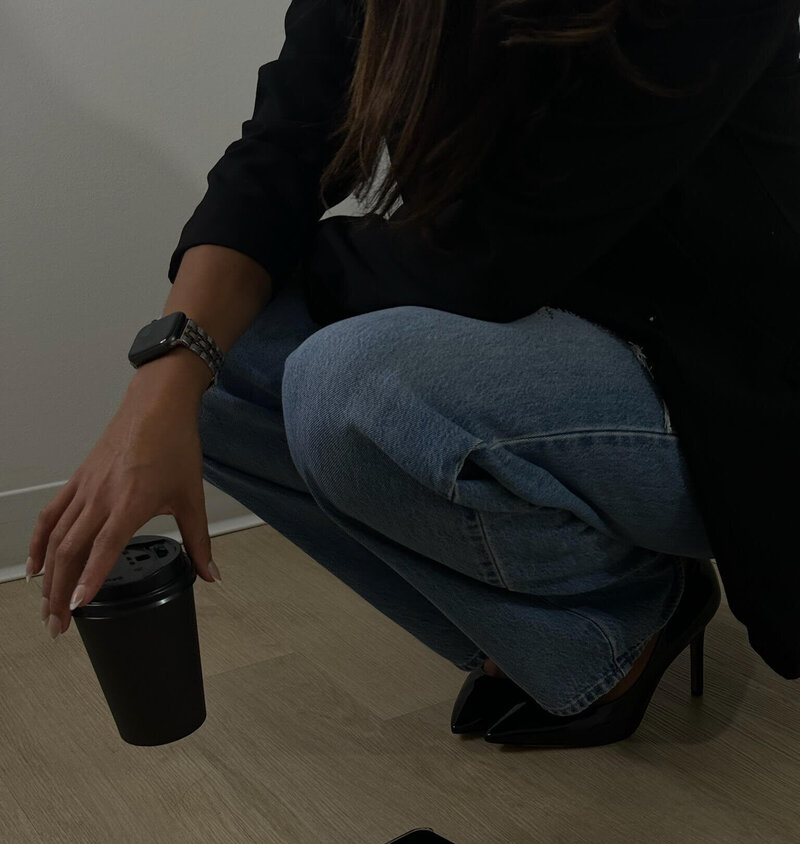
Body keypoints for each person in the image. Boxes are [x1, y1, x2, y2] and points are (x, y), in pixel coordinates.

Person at [28, 0, 800, 746]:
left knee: (345, 380)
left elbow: (500, 251)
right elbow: (282, 150)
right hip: (554, 329)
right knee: (212, 367)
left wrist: (271, 273)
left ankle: (601, 625)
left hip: (723, 395)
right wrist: (162, 382)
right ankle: (599, 623)